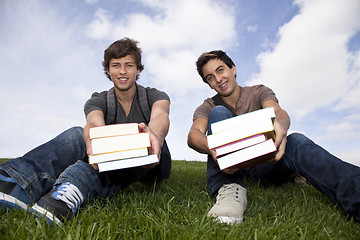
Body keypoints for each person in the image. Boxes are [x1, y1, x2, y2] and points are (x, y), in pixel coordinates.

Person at [0, 38, 171, 226]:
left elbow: (160, 116)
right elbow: (93, 125)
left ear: (138, 69)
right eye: (116, 65)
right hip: (113, 155)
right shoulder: (98, 100)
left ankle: (75, 185)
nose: (122, 71)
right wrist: (93, 143)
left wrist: (154, 136)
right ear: (108, 70)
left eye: (129, 65)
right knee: (77, 133)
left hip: (153, 159)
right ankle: (16, 181)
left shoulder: (154, 95)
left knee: (139, 141)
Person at [187, 50, 360, 225]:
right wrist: (213, 148)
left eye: (220, 70)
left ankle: (356, 193)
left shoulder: (258, 91)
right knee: (219, 112)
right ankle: (229, 190)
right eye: (210, 77)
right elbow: (194, 135)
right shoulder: (209, 105)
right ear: (209, 84)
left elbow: (278, 112)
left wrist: (281, 126)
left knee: (297, 140)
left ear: (233, 69)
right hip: (234, 168)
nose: (218, 79)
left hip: (267, 162)